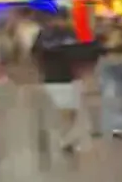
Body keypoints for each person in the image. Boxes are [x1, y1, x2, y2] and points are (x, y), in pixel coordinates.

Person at [30, 12, 96, 154]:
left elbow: (87, 52)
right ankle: (66, 139)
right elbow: (35, 54)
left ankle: (67, 138)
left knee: (71, 111)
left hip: (70, 77)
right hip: (55, 78)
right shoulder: (46, 35)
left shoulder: (70, 33)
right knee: (65, 110)